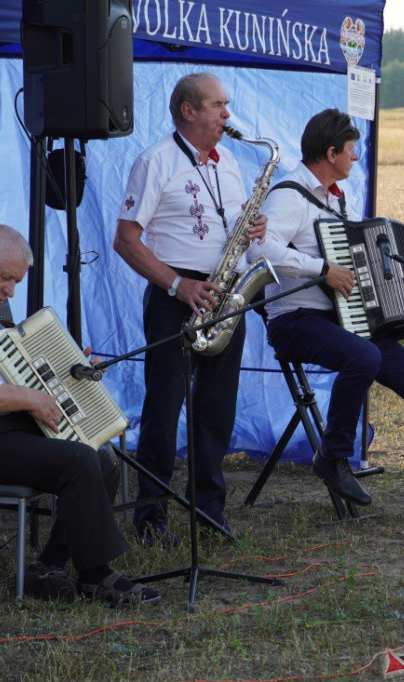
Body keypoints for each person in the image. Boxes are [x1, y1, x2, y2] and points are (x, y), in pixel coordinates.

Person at [247, 108, 404, 526]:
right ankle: (333, 456)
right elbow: (259, 253)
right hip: (294, 320)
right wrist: (320, 269)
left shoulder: (336, 200)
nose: (356, 158)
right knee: (364, 357)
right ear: (331, 153)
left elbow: (361, 265)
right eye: (351, 151)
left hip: (342, 320)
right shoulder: (290, 195)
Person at [0, 225, 160, 606]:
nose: (11, 290)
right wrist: (32, 399)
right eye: (5, 278)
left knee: (100, 458)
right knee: (78, 461)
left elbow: (6, 368)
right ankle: (97, 577)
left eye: (16, 282)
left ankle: (47, 566)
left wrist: (72, 368)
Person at [113, 72, 266, 544]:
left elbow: (234, 225)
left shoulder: (230, 163)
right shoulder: (156, 160)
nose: (227, 115)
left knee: (216, 409)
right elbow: (125, 240)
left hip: (222, 296)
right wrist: (179, 285)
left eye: (227, 105)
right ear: (189, 111)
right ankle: (150, 517)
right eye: (219, 105)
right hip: (174, 297)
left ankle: (208, 507)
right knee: (163, 408)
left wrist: (253, 226)